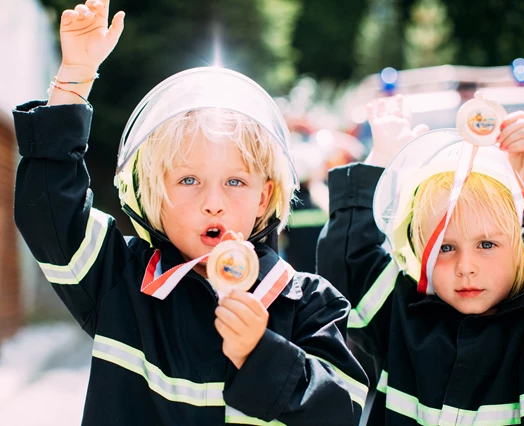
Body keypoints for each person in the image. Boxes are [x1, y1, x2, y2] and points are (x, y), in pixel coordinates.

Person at [12, 1, 368, 425]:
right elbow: (49, 210)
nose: (212, 202)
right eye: (188, 180)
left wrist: (260, 354)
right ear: (152, 194)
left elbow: (343, 411)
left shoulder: (310, 305)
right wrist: (73, 79)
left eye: (235, 182)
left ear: (264, 196)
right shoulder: (118, 279)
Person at [317, 94, 524, 425]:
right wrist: (382, 160)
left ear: (522, 246)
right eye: (445, 248)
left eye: (487, 244)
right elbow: (347, 268)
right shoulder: (400, 311)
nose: (466, 267)